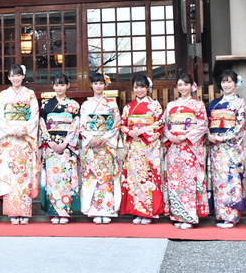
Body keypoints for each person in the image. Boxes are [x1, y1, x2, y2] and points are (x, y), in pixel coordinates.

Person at [162, 73, 209, 229]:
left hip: (190, 148)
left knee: (189, 181)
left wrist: (186, 136)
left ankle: (188, 217)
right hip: (174, 148)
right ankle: (177, 215)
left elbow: (202, 125)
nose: (183, 87)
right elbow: (165, 125)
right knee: (175, 181)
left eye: (185, 84)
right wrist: (169, 135)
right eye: (180, 84)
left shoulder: (198, 105)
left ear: (192, 86)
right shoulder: (171, 106)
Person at [0, 64, 40, 225]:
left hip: (24, 141)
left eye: (18, 75)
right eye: (12, 75)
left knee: (24, 175)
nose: (15, 78)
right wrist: (12, 130)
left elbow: (34, 115)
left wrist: (24, 129)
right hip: (10, 140)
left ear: (23, 76)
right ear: (8, 77)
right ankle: (13, 212)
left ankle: (24, 212)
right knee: (10, 175)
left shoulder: (30, 94)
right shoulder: (3, 95)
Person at [119, 75, 164, 225]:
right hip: (133, 148)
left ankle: (148, 212)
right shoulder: (128, 107)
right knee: (134, 180)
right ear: (133, 88)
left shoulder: (155, 105)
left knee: (147, 178)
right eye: (136, 87)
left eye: (142, 87)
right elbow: (122, 124)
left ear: (147, 88)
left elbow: (160, 123)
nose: (139, 90)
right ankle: (136, 212)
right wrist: (128, 131)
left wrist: (143, 132)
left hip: (148, 148)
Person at [207, 70, 246, 229]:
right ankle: (221, 214)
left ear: (235, 83)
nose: (226, 85)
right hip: (216, 149)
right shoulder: (214, 104)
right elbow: (208, 123)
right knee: (219, 181)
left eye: (229, 81)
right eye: (224, 82)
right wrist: (209, 135)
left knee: (232, 179)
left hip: (231, 148)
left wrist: (223, 138)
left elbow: (240, 126)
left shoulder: (239, 103)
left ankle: (232, 216)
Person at [79, 72, 121, 224]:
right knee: (93, 177)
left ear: (105, 85)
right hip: (93, 146)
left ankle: (107, 209)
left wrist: (105, 138)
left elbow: (116, 123)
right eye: (95, 83)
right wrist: (91, 139)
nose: (98, 86)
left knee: (106, 177)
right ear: (91, 84)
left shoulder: (112, 104)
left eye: (100, 83)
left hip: (106, 146)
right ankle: (95, 210)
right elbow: (82, 126)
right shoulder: (86, 105)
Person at [39, 73, 80, 224]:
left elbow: (76, 125)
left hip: (66, 147)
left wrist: (66, 143)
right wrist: (50, 141)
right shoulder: (46, 105)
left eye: (62, 85)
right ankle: (53, 212)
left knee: (65, 179)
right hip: (51, 146)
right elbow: (42, 124)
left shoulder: (74, 105)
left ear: (68, 85)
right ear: (53, 86)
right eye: (57, 85)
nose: (59, 88)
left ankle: (65, 212)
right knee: (53, 179)